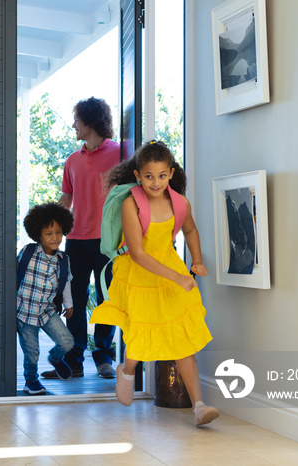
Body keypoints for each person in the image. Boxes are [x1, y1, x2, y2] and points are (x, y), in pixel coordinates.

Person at [90, 140, 219, 427]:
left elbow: (190, 229)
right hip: (138, 272)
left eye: (162, 175)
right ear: (137, 175)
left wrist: (196, 261)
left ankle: (199, 405)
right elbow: (137, 253)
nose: (156, 182)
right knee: (140, 329)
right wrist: (178, 276)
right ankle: (127, 370)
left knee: (181, 338)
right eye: (148, 176)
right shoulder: (130, 203)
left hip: (168, 267)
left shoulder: (180, 203)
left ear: (171, 173)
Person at [42, 97, 120, 380]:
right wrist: (47, 225)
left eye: (76, 119)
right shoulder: (72, 160)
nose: (73, 124)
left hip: (109, 241)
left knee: (106, 299)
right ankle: (74, 360)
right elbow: (67, 198)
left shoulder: (120, 153)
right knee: (74, 299)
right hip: (75, 240)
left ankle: (103, 357)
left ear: (90, 120)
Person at [17, 202, 76, 395]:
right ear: (38, 234)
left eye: (58, 232)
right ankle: (30, 381)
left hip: (46, 310)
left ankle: (56, 358)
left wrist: (69, 304)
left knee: (67, 342)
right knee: (32, 351)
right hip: (24, 311)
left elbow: (66, 282)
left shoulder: (63, 259)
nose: (55, 237)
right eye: (49, 233)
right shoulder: (28, 252)